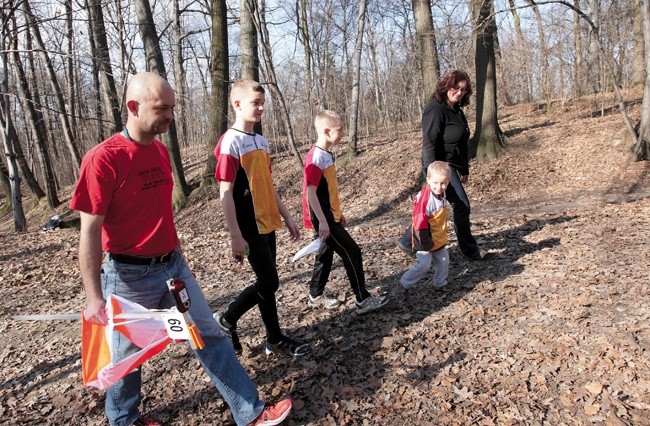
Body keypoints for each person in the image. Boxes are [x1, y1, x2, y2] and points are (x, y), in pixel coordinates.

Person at [71, 72, 291, 426]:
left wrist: (176, 256)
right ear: (133, 107)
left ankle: (250, 413)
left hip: (173, 268)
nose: (170, 116)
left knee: (210, 336)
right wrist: (93, 296)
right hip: (128, 277)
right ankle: (124, 420)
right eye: (162, 108)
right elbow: (89, 233)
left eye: (173, 108)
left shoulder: (159, 150)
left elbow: (158, 215)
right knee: (127, 360)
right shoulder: (103, 159)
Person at [214, 79, 312, 358]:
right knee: (269, 282)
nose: (261, 108)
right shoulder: (230, 142)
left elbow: (268, 184)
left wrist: (288, 217)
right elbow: (225, 191)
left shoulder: (260, 140)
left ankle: (274, 339)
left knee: (267, 283)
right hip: (248, 225)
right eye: (255, 103)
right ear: (238, 104)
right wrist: (235, 234)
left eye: (262, 103)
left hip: (268, 221)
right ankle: (227, 318)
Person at [302, 110, 389, 314]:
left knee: (325, 254)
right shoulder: (316, 158)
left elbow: (327, 190)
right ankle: (362, 299)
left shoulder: (326, 155)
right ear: (326, 131)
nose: (343, 134)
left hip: (329, 216)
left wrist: (337, 213)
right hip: (323, 218)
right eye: (339, 130)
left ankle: (315, 295)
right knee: (352, 251)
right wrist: (323, 221)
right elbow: (311, 194)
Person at [420, 69, 487, 260]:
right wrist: (431, 173)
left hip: (454, 167)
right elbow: (429, 142)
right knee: (460, 205)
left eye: (463, 90)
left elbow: (462, 143)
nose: (459, 92)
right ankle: (471, 251)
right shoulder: (435, 109)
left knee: (435, 208)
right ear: (446, 86)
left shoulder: (456, 111)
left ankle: (409, 242)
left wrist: (465, 169)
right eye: (455, 88)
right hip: (440, 168)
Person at [397, 161, 452, 295]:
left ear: (448, 181)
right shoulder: (425, 200)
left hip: (435, 236)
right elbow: (419, 224)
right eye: (435, 183)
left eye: (443, 183)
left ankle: (440, 283)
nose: (439, 187)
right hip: (422, 238)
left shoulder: (442, 193)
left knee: (444, 259)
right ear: (428, 180)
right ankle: (404, 283)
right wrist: (426, 243)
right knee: (424, 264)